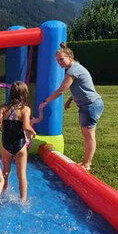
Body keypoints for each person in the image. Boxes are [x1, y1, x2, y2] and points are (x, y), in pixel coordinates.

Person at [39, 42, 104, 171]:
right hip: (87, 105)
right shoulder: (75, 68)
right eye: (58, 61)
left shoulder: (73, 70)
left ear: (70, 56)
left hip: (91, 105)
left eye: (61, 59)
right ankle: (85, 162)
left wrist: (46, 101)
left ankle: (87, 164)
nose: (60, 63)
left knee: (89, 134)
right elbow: (81, 88)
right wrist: (70, 100)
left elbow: (62, 90)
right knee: (86, 133)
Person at [0, 81, 36, 202]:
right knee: (22, 174)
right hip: (20, 144)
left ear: (11, 93)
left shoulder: (3, 108)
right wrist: (33, 131)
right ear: (24, 94)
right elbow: (26, 127)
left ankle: (2, 195)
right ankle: (23, 200)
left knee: (5, 172)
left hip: (6, 144)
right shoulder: (25, 109)